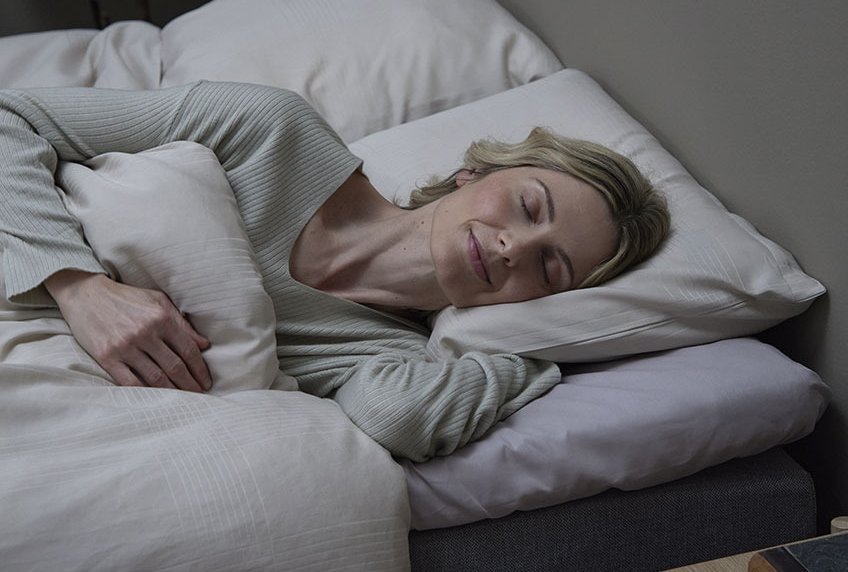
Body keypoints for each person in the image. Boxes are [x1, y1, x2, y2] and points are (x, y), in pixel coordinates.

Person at [0, 82, 669, 461]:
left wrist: (542, 355)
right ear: (477, 171)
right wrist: (79, 286)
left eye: (549, 266)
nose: (511, 248)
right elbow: (11, 117)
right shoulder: (272, 132)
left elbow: (396, 418)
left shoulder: (389, 356)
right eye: (528, 207)